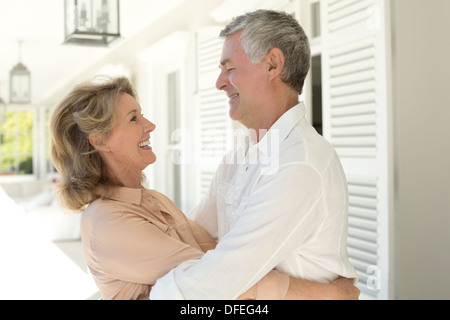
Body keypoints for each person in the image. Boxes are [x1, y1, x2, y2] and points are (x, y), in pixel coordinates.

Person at [50, 76, 358, 300]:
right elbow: (222, 282)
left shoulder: (149, 200)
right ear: (100, 141)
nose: (150, 125)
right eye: (134, 119)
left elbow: (217, 254)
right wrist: (330, 295)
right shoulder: (108, 223)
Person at [149, 10, 358, 300]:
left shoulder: (300, 163)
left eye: (230, 68)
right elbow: (195, 239)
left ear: (273, 64)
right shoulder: (239, 157)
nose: (219, 83)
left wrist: (153, 296)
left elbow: (218, 281)